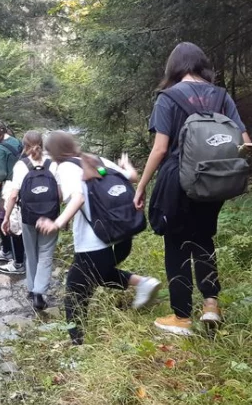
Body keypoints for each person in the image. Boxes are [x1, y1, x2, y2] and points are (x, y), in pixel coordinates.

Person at [133, 42, 251, 336]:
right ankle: (211, 304)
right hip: (214, 180)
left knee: (176, 245)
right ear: (202, 65)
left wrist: (142, 185)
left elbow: (160, 150)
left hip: (178, 180)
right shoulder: (221, 96)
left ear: (173, 67)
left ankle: (182, 317)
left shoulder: (167, 98)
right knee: (203, 238)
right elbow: (245, 141)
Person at [37, 131, 161, 345]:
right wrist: (126, 165)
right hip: (121, 235)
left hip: (95, 241)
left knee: (74, 294)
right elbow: (132, 177)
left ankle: (78, 344)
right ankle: (143, 283)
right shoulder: (95, 159)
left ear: (53, 153)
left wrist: (56, 223)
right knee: (99, 276)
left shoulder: (66, 167)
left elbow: (78, 197)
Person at [3, 131, 58, 312]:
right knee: (46, 253)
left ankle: (31, 288)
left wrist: (6, 217)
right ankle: (39, 293)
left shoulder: (21, 165)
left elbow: (13, 195)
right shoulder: (52, 163)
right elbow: (60, 194)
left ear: (24, 145)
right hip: (50, 216)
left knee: (31, 252)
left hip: (28, 216)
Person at [0, 118, 25, 273]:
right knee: (8, 220)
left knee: (5, 220)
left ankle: (15, 260)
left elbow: (0, 173)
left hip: (8, 189)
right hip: (21, 186)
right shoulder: (16, 141)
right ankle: (8, 250)